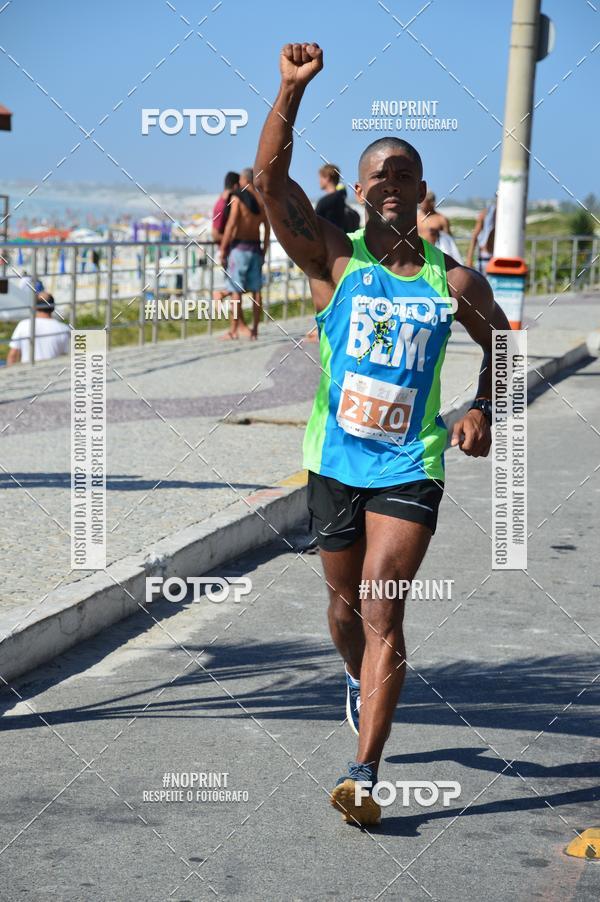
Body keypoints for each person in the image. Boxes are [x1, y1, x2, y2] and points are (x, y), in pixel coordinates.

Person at [254, 42, 510, 827]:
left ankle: (363, 776)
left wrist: (481, 408)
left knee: (381, 611)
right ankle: (359, 679)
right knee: (340, 610)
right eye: (379, 175)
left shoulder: (453, 281)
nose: (392, 184)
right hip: (333, 461)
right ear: (359, 193)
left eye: (406, 173)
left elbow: (501, 342)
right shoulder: (333, 260)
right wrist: (290, 91)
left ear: (422, 190)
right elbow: (269, 184)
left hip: (411, 463)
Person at [219, 167, 270, 340]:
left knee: (236, 291)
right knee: (256, 291)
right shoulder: (261, 200)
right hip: (256, 248)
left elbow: (231, 225)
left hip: (239, 249)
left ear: (243, 180)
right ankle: (255, 330)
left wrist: (223, 249)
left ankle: (233, 330)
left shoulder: (237, 199)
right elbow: (267, 229)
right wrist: (264, 250)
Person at [7, 291, 70, 365]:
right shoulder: (64, 329)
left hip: (27, 372)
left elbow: (12, 356)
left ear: (35, 307)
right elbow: (68, 358)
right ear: (53, 307)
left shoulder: (23, 325)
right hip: (53, 372)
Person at [211, 171, 239, 307]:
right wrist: (231, 239)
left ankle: (238, 323)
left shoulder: (225, 203)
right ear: (235, 186)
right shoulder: (222, 206)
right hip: (228, 252)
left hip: (230, 251)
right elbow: (215, 234)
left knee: (238, 288)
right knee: (237, 287)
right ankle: (220, 294)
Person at [466, 197, 497, 273]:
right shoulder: (487, 213)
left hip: (499, 257)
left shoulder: (508, 215)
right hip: (485, 257)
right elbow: (475, 236)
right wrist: (469, 259)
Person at [316, 164, 347, 229]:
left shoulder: (324, 202)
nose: (319, 181)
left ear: (327, 178)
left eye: (321, 177)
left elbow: (315, 223)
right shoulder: (342, 201)